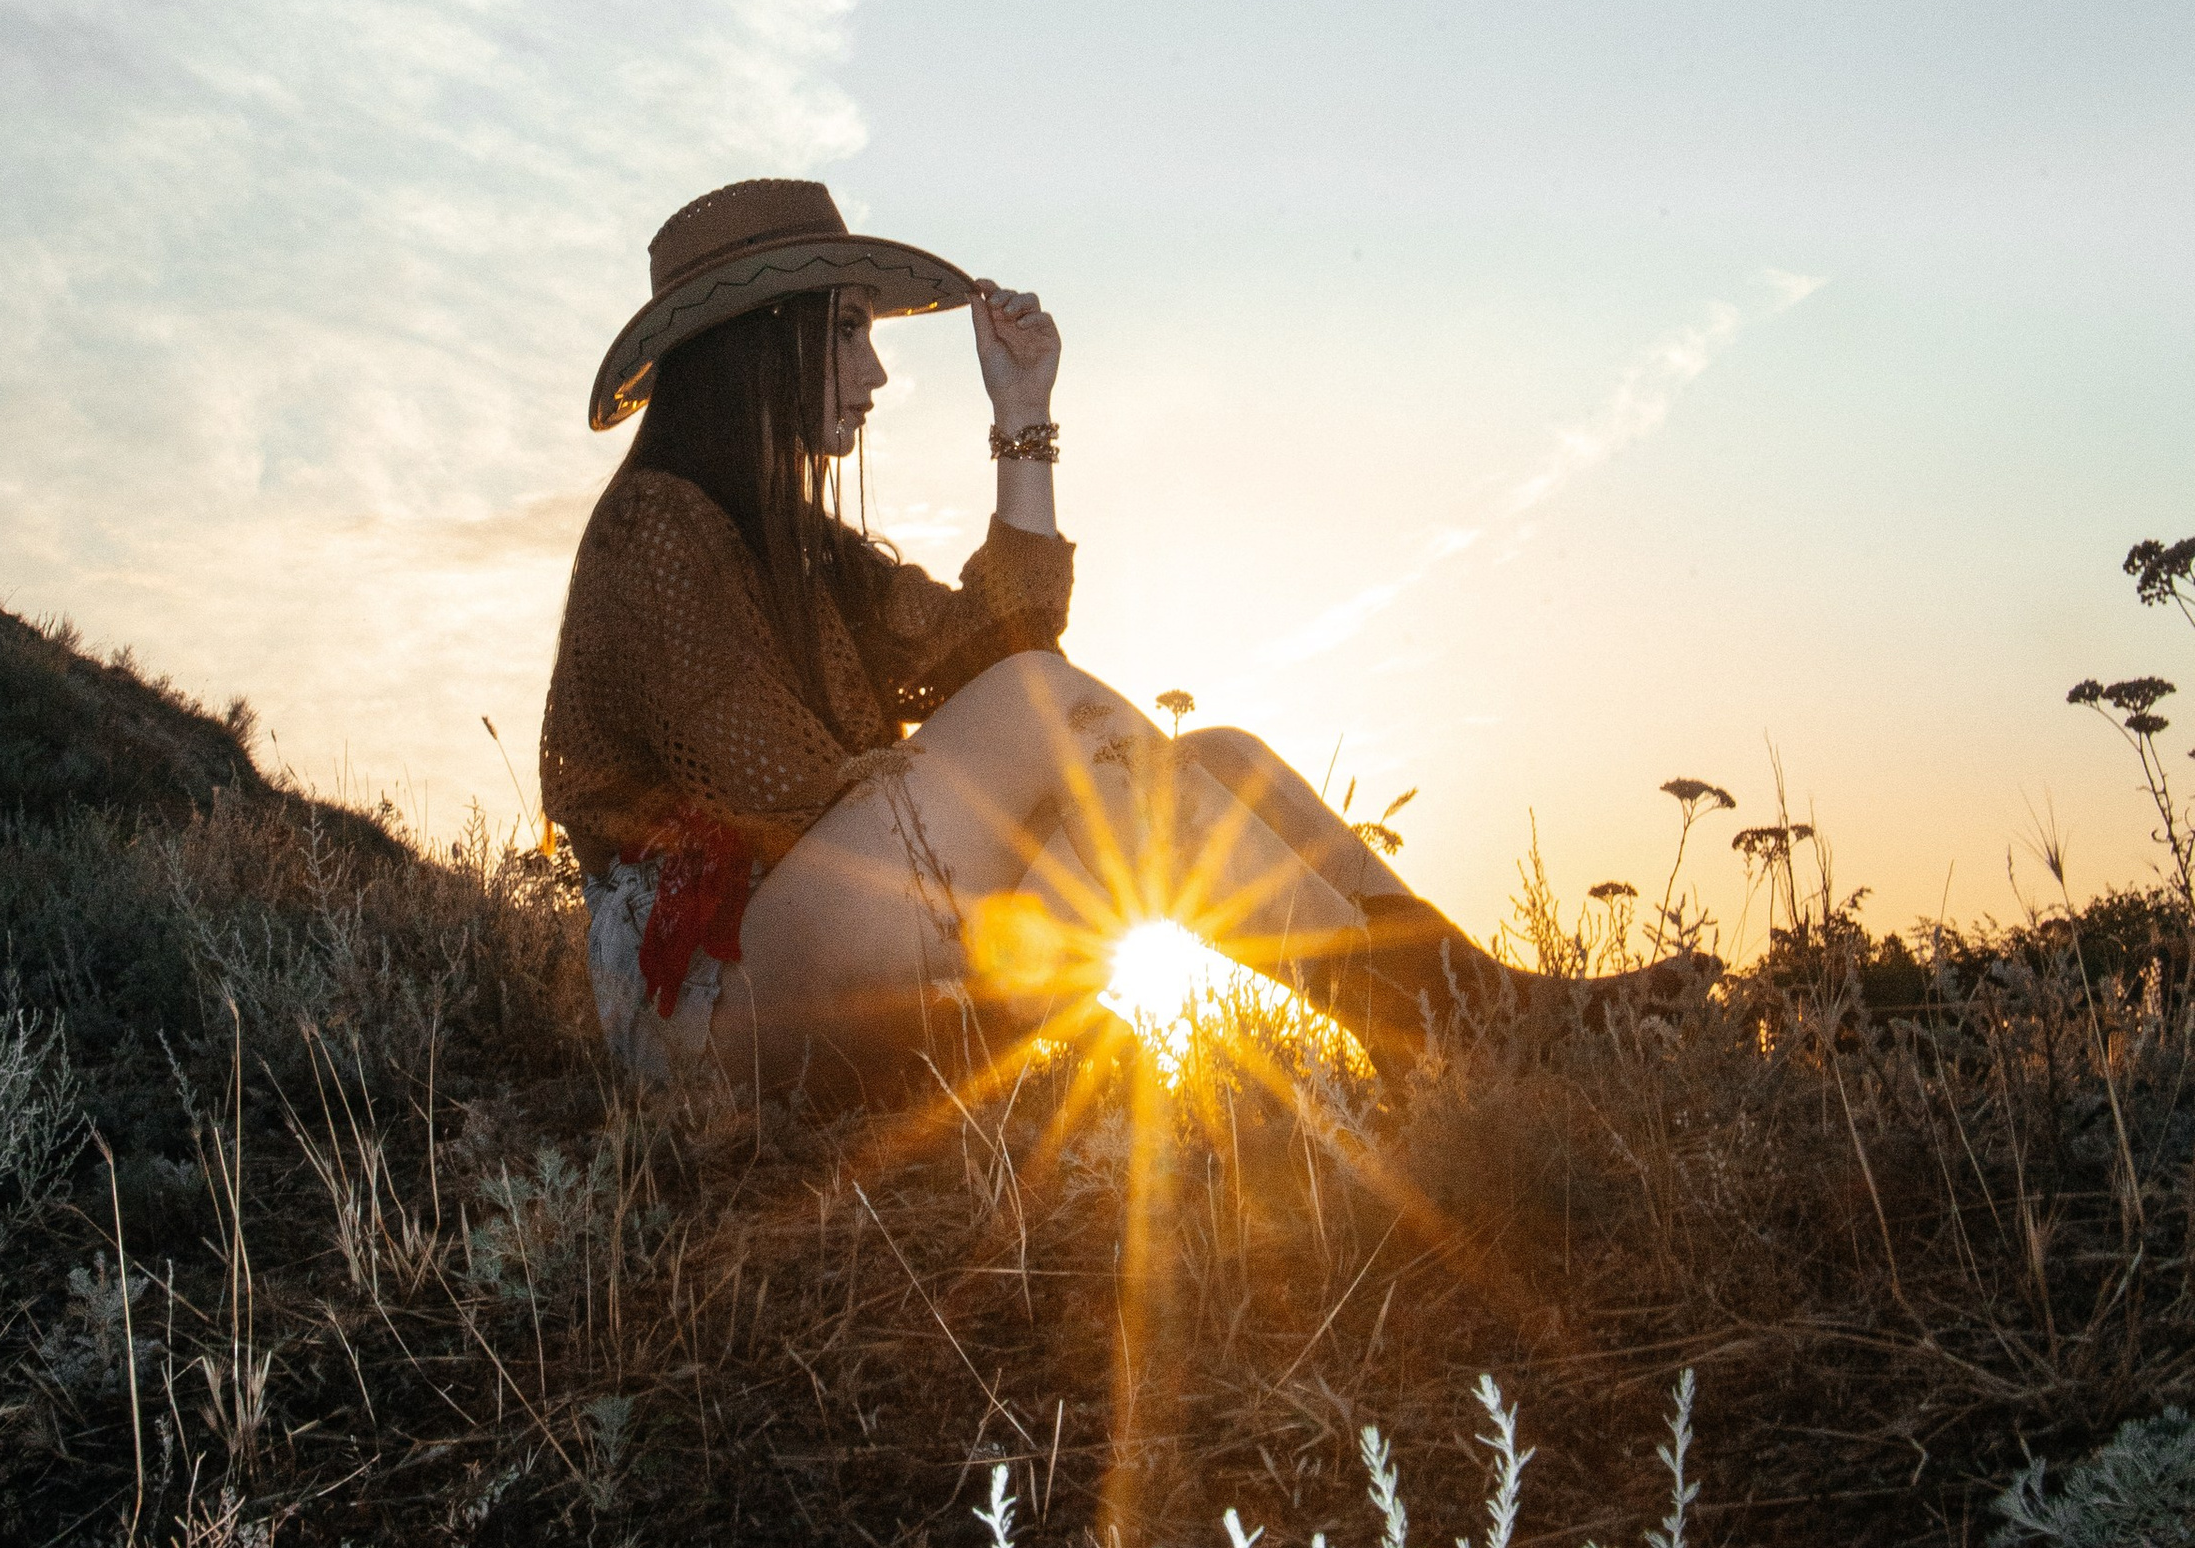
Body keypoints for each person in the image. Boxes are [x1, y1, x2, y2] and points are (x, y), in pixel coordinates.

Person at [539, 177, 1706, 1095]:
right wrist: (1063, 802)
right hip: (704, 1006)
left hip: (831, 949)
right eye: (846, 331)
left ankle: (1468, 1013)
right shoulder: (654, 531)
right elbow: (800, 804)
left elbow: (1001, 640)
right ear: (760, 340)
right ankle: (1456, 1025)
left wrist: (1024, 418)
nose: (875, 370)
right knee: (1061, 725)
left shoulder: (800, 552)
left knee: (1220, 763)